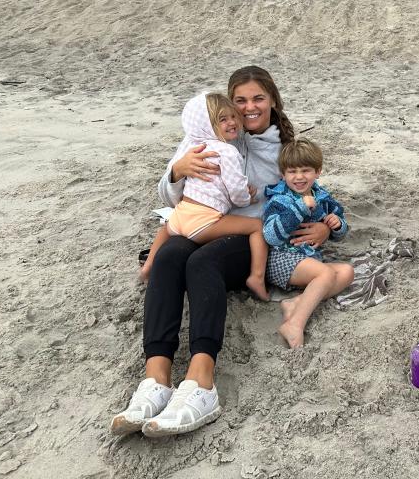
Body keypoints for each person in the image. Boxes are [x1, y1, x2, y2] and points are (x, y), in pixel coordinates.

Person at [111, 66, 331, 438]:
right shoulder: (216, 133)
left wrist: (324, 225)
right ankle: (156, 377)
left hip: (251, 237)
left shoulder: (282, 149)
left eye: (258, 98)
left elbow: (311, 189)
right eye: (240, 100)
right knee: (168, 256)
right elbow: (172, 197)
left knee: (201, 262)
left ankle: (201, 382)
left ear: (273, 101)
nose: (248, 108)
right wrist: (176, 172)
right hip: (207, 223)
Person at [139, 92, 269, 302]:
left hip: (180, 216)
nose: (232, 122)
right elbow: (236, 191)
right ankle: (257, 277)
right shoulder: (227, 152)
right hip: (203, 221)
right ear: (207, 125)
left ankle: (148, 266)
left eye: (233, 116)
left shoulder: (194, 147)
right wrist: (248, 198)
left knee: (165, 228)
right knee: (256, 227)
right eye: (222, 119)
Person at [261, 139, 355, 348]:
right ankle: (294, 325)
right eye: (292, 171)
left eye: (306, 170)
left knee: (347, 271)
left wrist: (336, 225)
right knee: (326, 274)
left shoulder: (321, 196)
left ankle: (295, 303)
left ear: (318, 171)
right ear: (283, 174)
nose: (299, 177)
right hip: (281, 260)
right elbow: (270, 236)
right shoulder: (279, 200)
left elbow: (340, 229)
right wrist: (299, 208)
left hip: (308, 260)